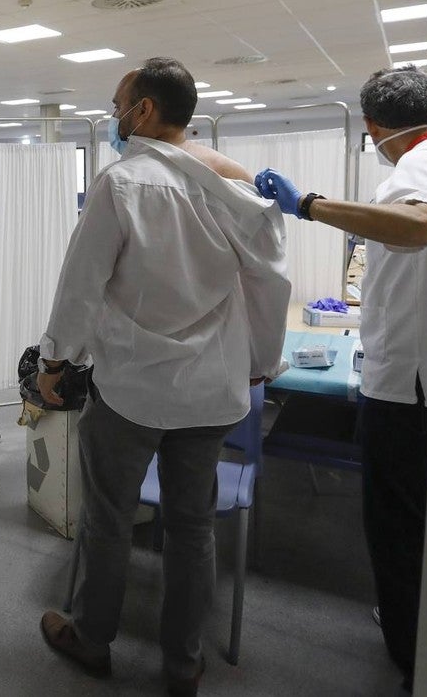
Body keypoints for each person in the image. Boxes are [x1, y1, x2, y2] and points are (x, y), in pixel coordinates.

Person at [35, 58, 289, 697]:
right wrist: (261, 359)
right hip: (213, 391)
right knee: (193, 527)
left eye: (119, 102)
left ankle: (94, 640)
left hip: (133, 392)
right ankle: (183, 665)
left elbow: (81, 287)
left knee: (110, 518)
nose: (115, 115)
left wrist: (54, 361)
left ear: (144, 110)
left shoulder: (121, 184)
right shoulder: (231, 190)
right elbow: (270, 283)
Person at [254, 65, 427, 694]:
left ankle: (412, 655)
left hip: (408, 385)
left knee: (396, 519)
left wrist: (307, 204)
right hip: (421, 373)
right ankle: (417, 628)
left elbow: (421, 226)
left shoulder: (420, 165)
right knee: (413, 517)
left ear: (370, 128)